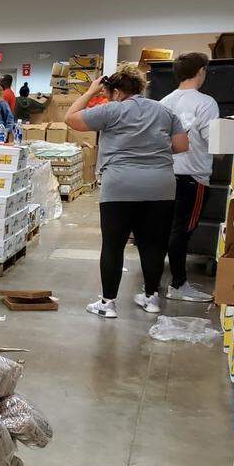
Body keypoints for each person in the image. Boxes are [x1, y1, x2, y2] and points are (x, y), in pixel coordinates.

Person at [67, 67, 189, 319]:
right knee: (153, 245)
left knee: (113, 245)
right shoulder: (165, 111)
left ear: (117, 91)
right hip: (160, 186)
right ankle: (151, 298)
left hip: (120, 186)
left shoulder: (112, 109)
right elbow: (181, 145)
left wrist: (91, 90)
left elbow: (72, 118)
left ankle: (108, 303)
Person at [159, 52, 219, 302]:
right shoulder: (206, 103)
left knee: (167, 230)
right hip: (193, 175)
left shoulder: (163, 102)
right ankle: (179, 284)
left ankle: (156, 285)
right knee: (183, 231)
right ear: (201, 71)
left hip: (164, 175)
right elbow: (214, 141)